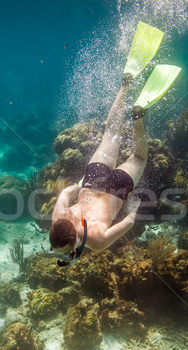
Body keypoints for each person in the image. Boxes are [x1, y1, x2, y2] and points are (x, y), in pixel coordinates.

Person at [48, 22, 180, 265]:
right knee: (110, 133)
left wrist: (132, 206)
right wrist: (80, 184)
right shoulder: (59, 217)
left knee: (139, 158)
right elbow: (67, 192)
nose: (66, 256)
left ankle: (139, 116)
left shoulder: (96, 241)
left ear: (76, 241)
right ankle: (126, 82)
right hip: (92, 180)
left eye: (64, 252)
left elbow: (128, 223)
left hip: (118, 190)